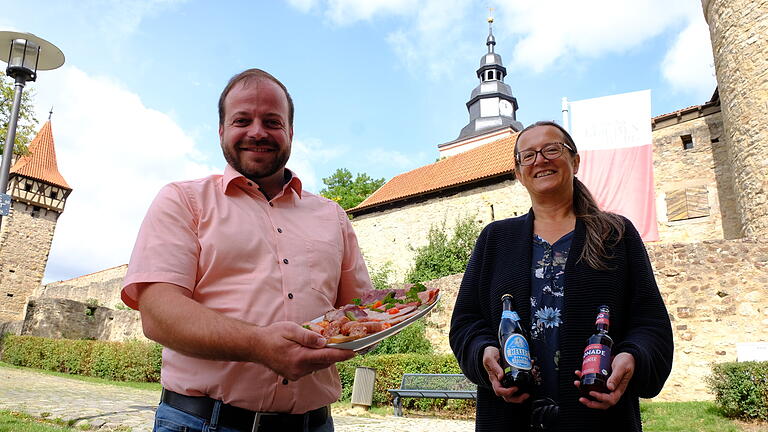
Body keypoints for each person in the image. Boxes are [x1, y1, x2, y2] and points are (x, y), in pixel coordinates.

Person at [121, 68, 373, 432]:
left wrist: (400, 308)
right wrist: (259, 344)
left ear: (290, 133)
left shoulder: (332, 215)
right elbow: (158, 314)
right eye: (242, 120)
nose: (258, 131)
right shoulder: (183, 200)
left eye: (273, 121)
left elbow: (360, 315)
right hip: (200, 423)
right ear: (222, 130)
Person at [449, 121, 673, 431]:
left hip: (599, 421)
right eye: (528, 155)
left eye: (552, 149)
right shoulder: (495, 239)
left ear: (575, 160)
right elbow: (466, 321)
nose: (540, 159)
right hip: (508, 419)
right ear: (518, 173)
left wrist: (633, 357)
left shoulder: (616, 234)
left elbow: (650, 323)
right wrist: (482, 352)